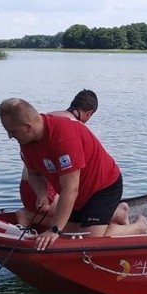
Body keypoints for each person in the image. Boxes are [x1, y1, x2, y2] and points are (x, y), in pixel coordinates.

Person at [0, 98, 147, 251]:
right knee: (71, 235)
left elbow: (70, 189)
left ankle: (139, 227)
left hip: (103, 186)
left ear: (28, 127)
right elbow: (34, 174)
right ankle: (117, 213)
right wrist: (42, 193)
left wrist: (54, 229)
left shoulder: (64, 136)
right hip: (78, 194)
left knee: (89, 240)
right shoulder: (26, 143)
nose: (10, 136)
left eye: (12, 131)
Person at [15, 89, 129, 228]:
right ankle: (118, 215)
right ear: (89, 113)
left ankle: (109, 217)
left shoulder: (50, 117)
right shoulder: (71, 126)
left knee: (75, 230)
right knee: (78, 232)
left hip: (30, 186)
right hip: (46, 186)